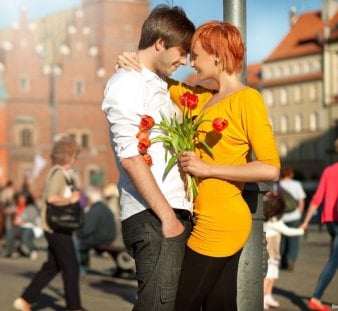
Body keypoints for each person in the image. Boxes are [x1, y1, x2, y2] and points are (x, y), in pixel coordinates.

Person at [117, 21, 280, 310]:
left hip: (222, 221)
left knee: (180, 304)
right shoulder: (201, 99)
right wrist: (131, 59)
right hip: (205, 216)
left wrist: (207, 169)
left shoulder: (247, 100)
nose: (191, 62)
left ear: (217, 55)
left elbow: (270, 168)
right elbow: (157, 74)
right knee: (219, 304)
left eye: (196, 55)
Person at [102, 5, 200, 310]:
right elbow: (131, 156)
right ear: (160, 42)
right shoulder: (127, 83)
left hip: (169, 212)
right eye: (182, 52)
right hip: (154, 216)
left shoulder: (156, 84)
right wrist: (168, 218)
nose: (184, 61)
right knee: (158, 305)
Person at [13, 136, 83, 311]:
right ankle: (74, 307)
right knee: (71, 267)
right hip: (56, 227)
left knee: (53, 266)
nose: (76, 158)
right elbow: (52, 198)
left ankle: (25, 300)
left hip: (53, 227)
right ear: (70, 156)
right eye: (75, 155)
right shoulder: (59, 173)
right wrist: (70, 200)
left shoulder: (59, 172)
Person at [300, 161, 338, 311]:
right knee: (334, 261)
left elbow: (317, 198)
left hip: (330, 221)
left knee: (334, 260)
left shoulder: (329, 170)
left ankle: (316, 299)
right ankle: (316, 298)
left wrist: (306, 222)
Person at [262, 192, 304, 309]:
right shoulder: (275, 221)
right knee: (269, 276)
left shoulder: (267, 219)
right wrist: (301, 230)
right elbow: (288, 231)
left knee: (273, 275)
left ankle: (268, 296)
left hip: (272, 254)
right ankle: (262, 298)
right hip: (270, 254)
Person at [76, 186, 116, 273]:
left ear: (91, 199)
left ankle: (80, 269)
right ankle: (83, 266)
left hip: (99, 240)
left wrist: (78, 234)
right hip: (109, 239)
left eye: (87, 199)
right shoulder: (105, 208)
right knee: (81, 242)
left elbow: (87, 230)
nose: (86, 201)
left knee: (76, 243)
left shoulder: (95, 210)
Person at [278, 165, 306, 271]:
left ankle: (281, 260)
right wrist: (300, 213)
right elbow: (301, 200)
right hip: (294, 216)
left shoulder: (278, 184)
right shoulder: (296, 184)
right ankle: (290, 259)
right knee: (293, 240)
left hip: (281, 217)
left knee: (282, 240)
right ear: (291, 174)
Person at [4, 191, 39, 259]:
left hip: (28, 227)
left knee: (26, 237)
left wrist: (22, 220)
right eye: (20, 198)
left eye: (23, 198)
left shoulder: (31, 207)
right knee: (9, 234)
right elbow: (7, 211)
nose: (21, 200)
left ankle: (33, 250)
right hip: (17, 227)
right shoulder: (15, 206)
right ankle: (11, 252)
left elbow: (31, 217)